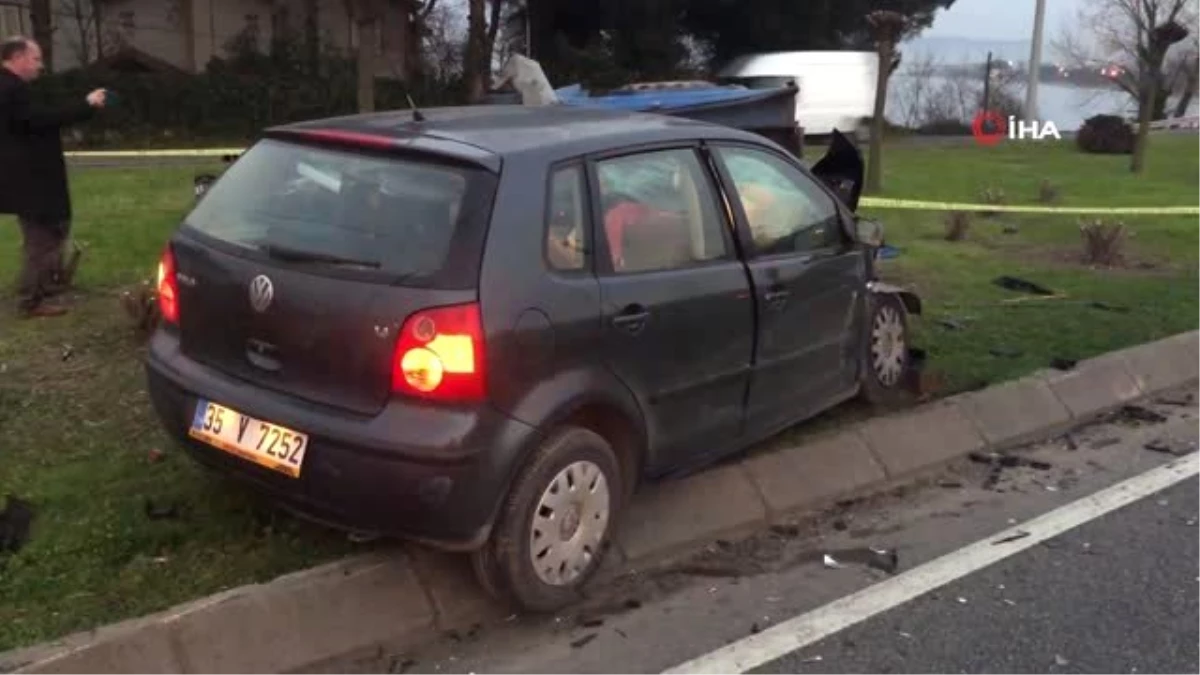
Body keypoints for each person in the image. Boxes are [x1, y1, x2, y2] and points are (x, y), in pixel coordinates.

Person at [0, 35, 107, 318]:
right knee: (42, 239)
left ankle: (42, 286)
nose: (40, 65)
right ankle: (31, 301)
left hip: (22, 179)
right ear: (17, 57)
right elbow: (39, 120)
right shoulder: (12, 90)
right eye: (35, 59)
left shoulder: (10, 88)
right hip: (32, 180)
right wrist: (86, 106)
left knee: (41, 234)